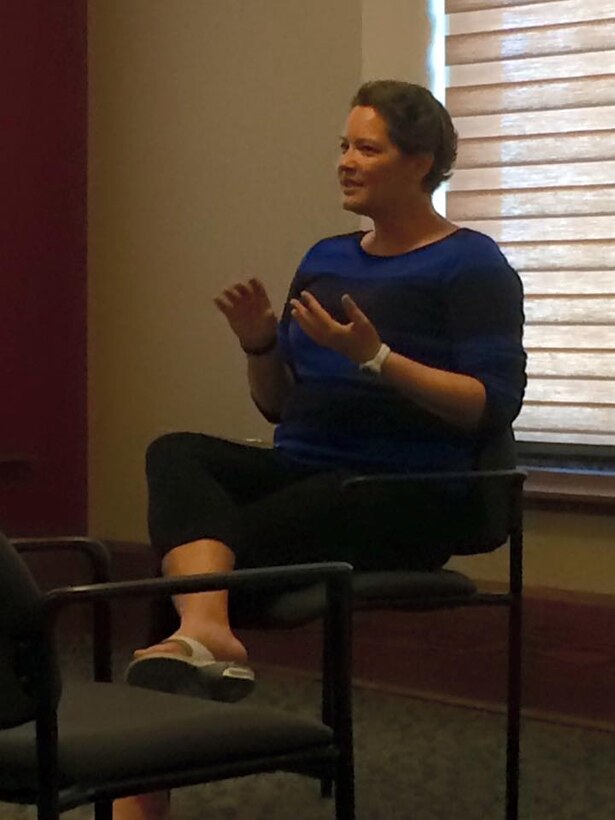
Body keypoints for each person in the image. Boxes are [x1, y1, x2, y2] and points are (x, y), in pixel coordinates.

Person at [114, 80, 526, 820]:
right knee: (176, 453)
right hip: (308, 469)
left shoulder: (471, 265)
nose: (345, 161)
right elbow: (279, 406)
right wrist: (259, 345)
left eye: (367, 148)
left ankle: (148, 776)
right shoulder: (327, 257)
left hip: (406, 493)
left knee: (188, 564)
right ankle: (206, 630)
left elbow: (488, 406)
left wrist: (378, 359)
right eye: (343, 146)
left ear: (419, 162)